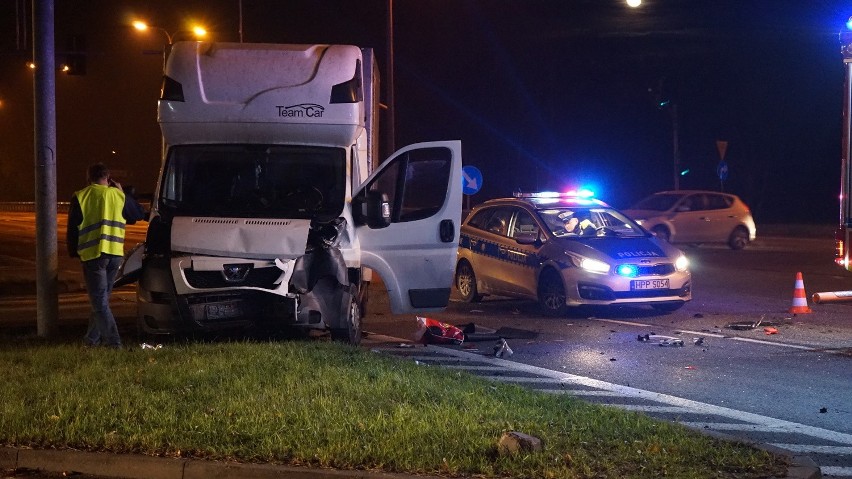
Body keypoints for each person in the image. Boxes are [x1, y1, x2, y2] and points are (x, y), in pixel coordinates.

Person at [66, 163, 146, 348]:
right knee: (101, 300)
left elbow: (73, 228)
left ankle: (114, 343)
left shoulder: (81, 196)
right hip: (115, 254)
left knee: (99, 301)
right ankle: (91, 340)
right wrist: (122, 193)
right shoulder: (117, 195)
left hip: (94, 255)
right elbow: (138, 214)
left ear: (89, 178)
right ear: (108, 178)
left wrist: (73, 251)